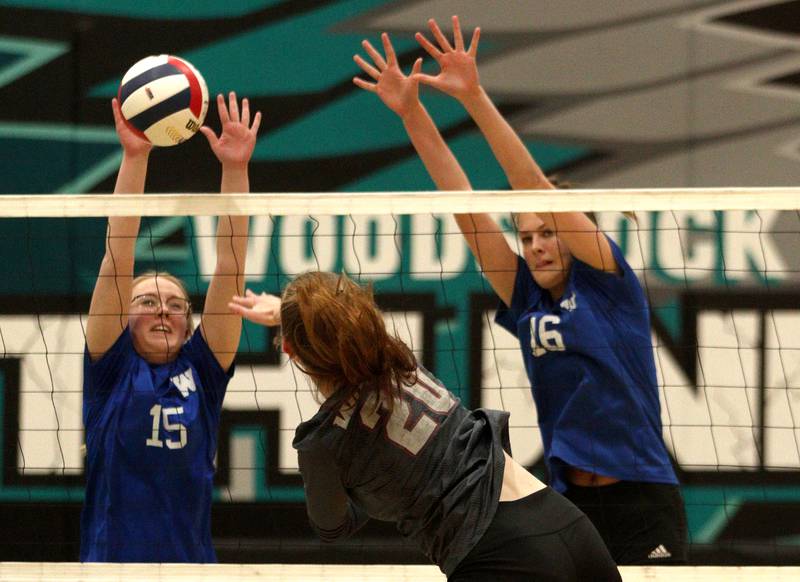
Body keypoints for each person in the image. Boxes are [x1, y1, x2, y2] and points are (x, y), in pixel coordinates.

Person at [355, 18, 688, 565]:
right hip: (570, 498)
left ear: (574, 229)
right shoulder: (527, 296)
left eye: (549, 232)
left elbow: (533, 184)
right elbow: (462, 208)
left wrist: (474, 96)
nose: (536, 246)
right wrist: (413, 112)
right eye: (526, 236)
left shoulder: (608, 284)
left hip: (641, 497)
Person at [228, 272, 621, 581]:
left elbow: (332, 529)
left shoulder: (323, 441)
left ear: (287, 348)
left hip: (499, 554)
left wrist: (380, 486)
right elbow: (348, 327)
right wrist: (290, 313)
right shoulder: (398, 362)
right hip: (567, 524)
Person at [81, 92, 261, 562]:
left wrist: (235, 170)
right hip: (107, 574)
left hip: (190, 572)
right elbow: (118, 254)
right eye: (146, 301)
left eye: (176, 304)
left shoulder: (203, 368)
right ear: (124, 315)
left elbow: (231, 267)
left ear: (188, 324)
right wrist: (135, 156)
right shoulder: (109, 369)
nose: (163, 310)